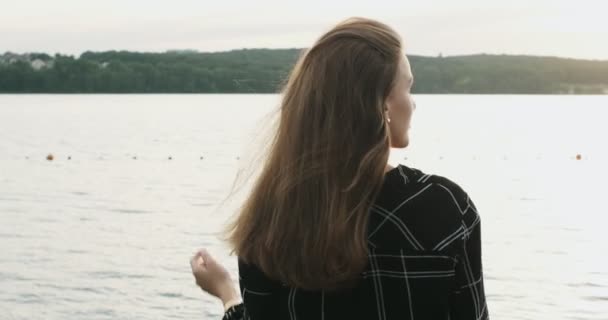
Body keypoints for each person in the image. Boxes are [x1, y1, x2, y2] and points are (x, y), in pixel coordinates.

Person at [190, 17, 489, 320]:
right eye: (408, 87)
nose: (413, 104)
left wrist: (227, 294)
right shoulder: (441, 208)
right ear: (380, 102)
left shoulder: (270, 219)